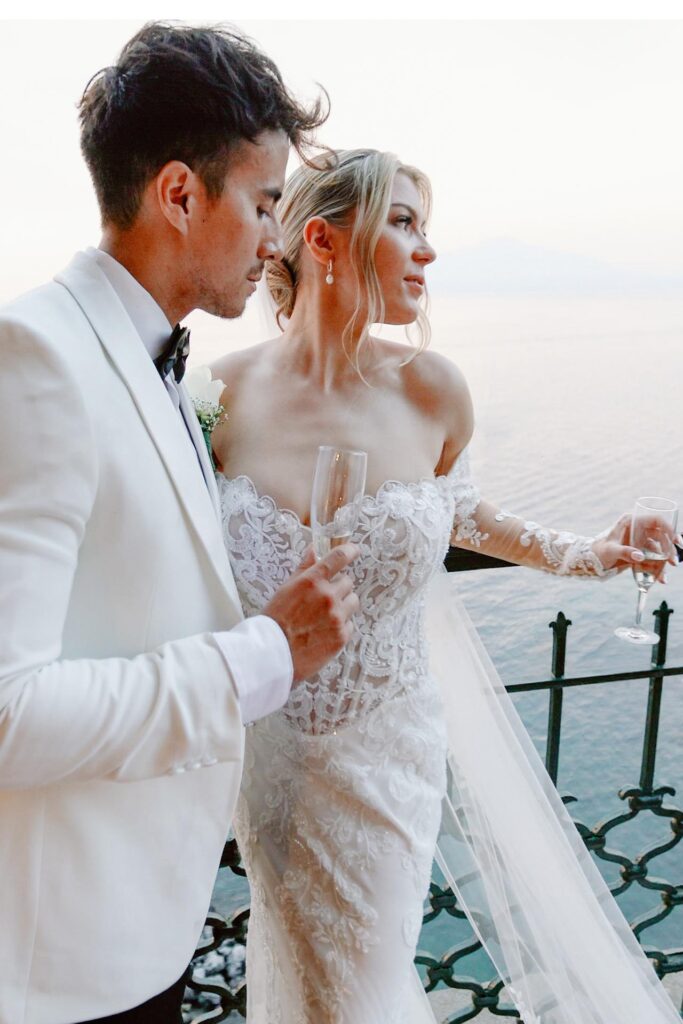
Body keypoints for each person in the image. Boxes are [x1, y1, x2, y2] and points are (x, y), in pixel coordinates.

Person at [210, 148, 680, 1024]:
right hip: (265, 754)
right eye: (403, 223)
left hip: (385, 753)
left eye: (427, 228)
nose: (426, 251)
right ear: (321, 238)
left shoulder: (434, 392)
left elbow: (466, 516)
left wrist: (598, 549)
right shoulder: (218, 394)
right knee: (303, 983)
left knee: (358, 990)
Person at [0, 23, 361, 1024]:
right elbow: (6, 711)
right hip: (61, 969)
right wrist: (263, 655)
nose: (277, 240)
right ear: (175, 194)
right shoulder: (36, 359)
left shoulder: (154, 361)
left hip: (146, 929)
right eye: (262, 205)